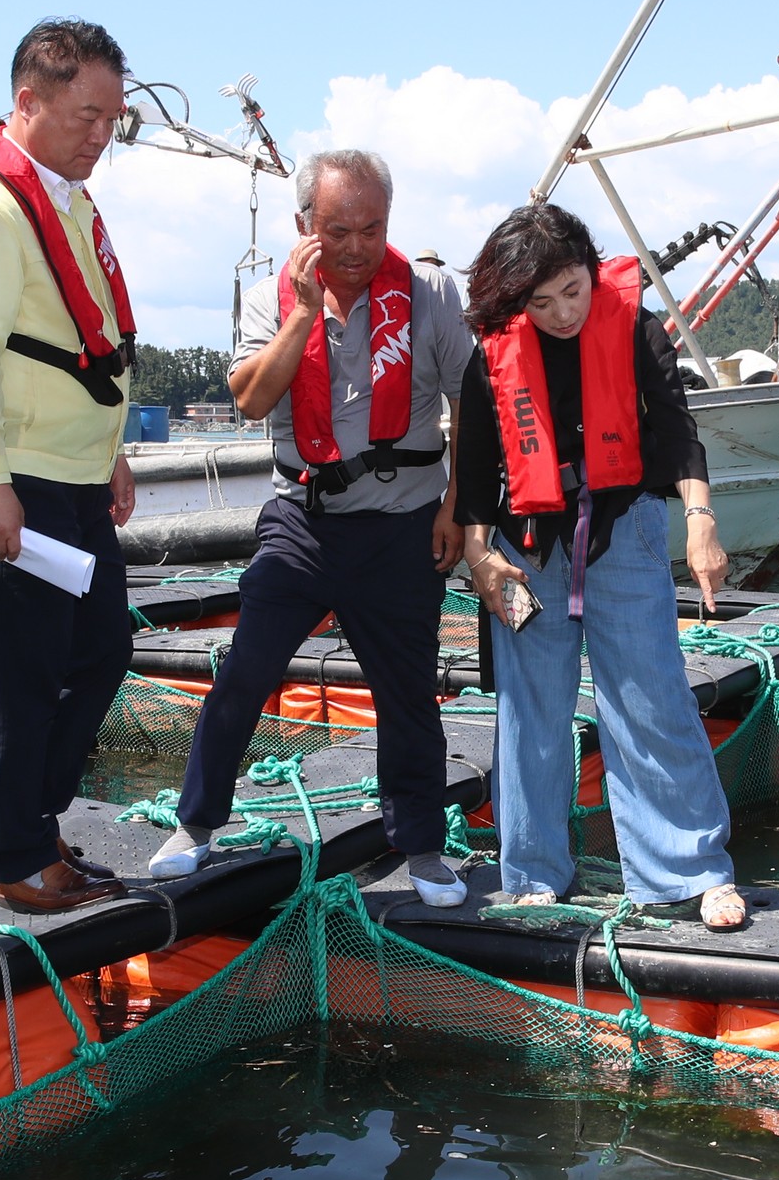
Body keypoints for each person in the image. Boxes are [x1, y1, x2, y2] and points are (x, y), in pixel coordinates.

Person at [147, 151, 471, 905]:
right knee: (245, 671)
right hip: (303, 516)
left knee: (408, 692)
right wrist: (301, 312)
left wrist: (459, 510)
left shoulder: (430, 292)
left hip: (404, 522)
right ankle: (195, 824)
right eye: (336, 229)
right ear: (303, 228)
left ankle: (422, 848)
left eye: (372, 227)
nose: (356, 246)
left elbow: (474, 403)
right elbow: (253, 400)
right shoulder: (268, 299)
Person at [452, 203, 743, 928]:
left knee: (651, 696)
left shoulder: (637, 327)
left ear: (591, 268)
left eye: (574, 291)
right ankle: (533, 872)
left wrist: (701, 523)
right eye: (541, 302)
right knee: (530, 712)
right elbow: (480, 467)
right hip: (526, 544)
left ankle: (691, 869)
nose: (561, 313)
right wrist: (478, 556)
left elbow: (677, 430)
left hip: (626, 527)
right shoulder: (491, 353)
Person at [0, 19, 142, 912]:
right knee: (21, 674)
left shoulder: (66, 201)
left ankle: (35, 823)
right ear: (30, 100)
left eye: (114, 120)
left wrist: (111, 451)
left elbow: (81, 344)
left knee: (102, 650)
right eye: (88, 115)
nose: (102, 135)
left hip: (73, 474)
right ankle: (17, 856)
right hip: (14, 479)